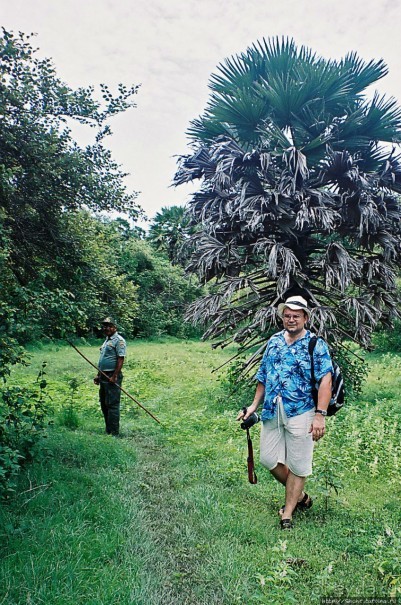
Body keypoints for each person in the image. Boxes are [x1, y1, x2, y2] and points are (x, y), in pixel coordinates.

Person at [237, 295, 333, 530]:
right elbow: (264, 376)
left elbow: (325, 381)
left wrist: (320, 415)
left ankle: (287, 512)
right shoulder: (274, 341)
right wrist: (253, 406)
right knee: (267, 458)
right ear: (282, 318)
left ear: (305, 318)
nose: (291, 320)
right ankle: (300, 496)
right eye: (287, 316)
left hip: (302, 410)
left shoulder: (315, 344)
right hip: (273, 409)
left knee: (299, 463)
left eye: (296, 316)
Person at [94, 317, 126, 436]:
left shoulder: (119, 340)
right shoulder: (107, 340)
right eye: (104, 326)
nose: (106, 328)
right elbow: (102, 360)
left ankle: (114, 433)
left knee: (112, 404)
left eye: (109, 326)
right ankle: (108, 430)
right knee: (104, 403)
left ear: (115, 327)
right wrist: (98, 375)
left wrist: (115, 375)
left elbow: (120, 359)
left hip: (112, 375)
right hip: (103, 376)